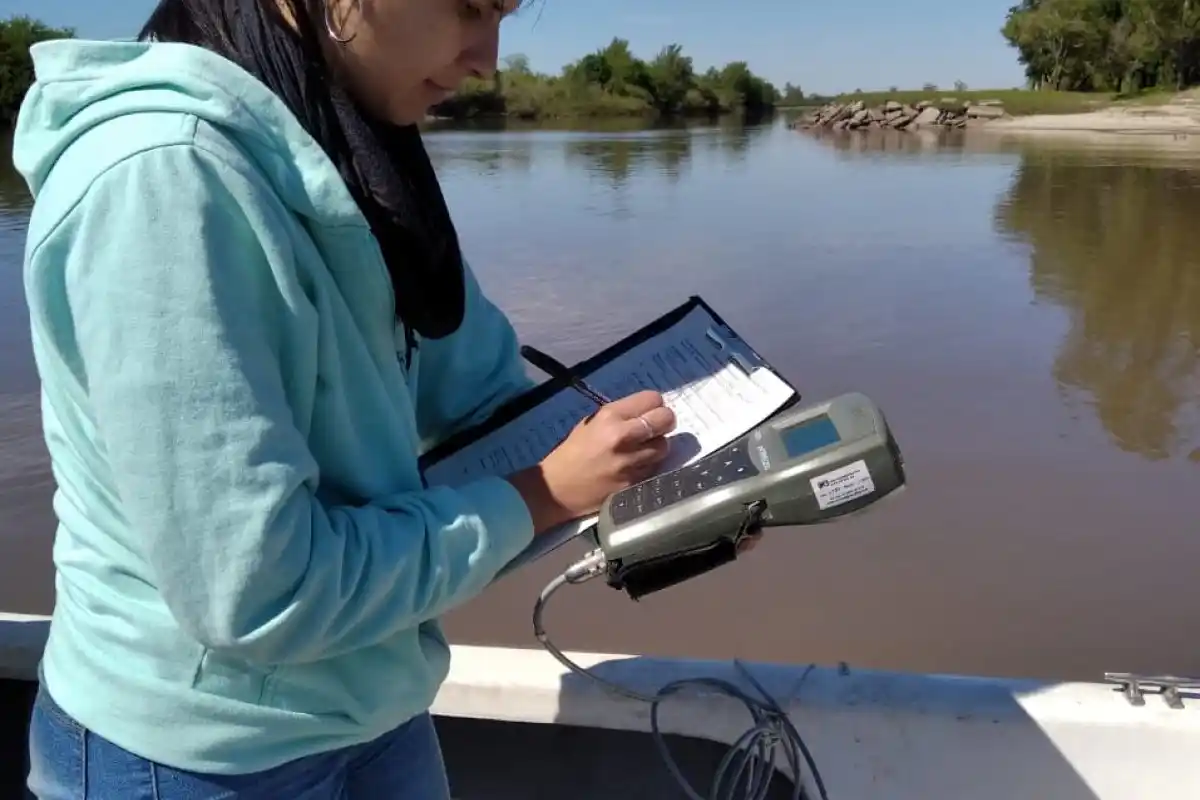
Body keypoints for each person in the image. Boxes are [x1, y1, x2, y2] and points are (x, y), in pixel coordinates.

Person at [13, 0, 683, 797]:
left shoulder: (346, 143)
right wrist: (542, 497)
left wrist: (662, 483)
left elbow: (480, 395)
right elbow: (260, 591)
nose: (488, 59)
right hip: (195, 756)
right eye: (469, 8)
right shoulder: (164, 180)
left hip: (373, 707)